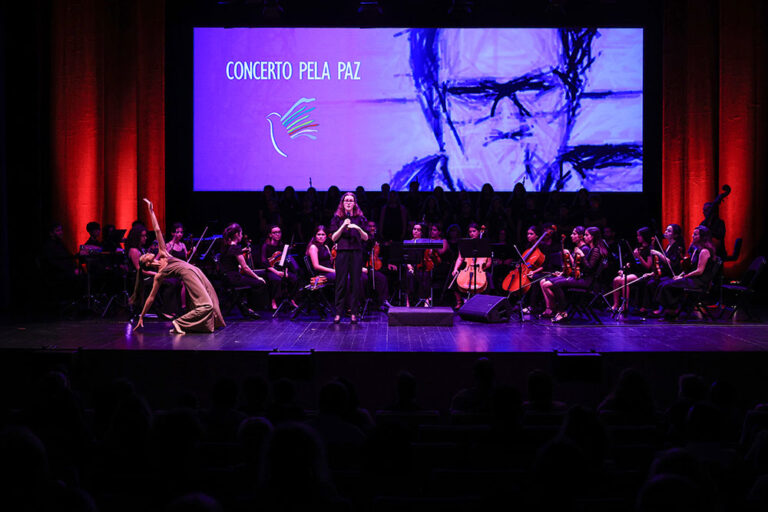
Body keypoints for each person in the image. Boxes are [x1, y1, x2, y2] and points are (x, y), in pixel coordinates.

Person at [390, 28, 642, 192]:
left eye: (535, 88)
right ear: (434, 103)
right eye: (475, 93)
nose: (508, 122)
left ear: (572, 95)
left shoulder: (628, 180)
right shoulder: (403, 189)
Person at [132, 199, 225, 334]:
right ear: (147, 263)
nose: (146, 253)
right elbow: (151, 298)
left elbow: (157, 230)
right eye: (144, 256)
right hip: (188, 274)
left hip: (195, 270)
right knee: (206, 305)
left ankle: (211, 323)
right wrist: (141, 316)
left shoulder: (163, 253)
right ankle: (179, 322)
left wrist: (151, 211)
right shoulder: (159, 273)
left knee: (213, 300)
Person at [540, 226, 607, 322]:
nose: (584, 237)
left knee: (556, 284)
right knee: (556, 283)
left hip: (587, 281)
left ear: (592, 237)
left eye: (586, 235)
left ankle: (562, 311)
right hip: (582, 278)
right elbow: (583, 268)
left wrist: (582, 255)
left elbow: (589, 268)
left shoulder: (595, 250)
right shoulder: (593, 249)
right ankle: (559, 310)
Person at [653, 225, 719, 318]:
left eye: (695, 234)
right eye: (693, 234)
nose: (692, 236)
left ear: (702, 237)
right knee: (665, 283)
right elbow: (689, 268)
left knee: (667, 285)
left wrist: (684, 277)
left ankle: (671, 311)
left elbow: (699, 271)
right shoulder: (696, 250)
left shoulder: (704, 251)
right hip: (693, 278)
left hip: (699, 281)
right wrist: (679, 276)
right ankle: (667, 309)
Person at [329, 192, 368, 323]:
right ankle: (338, 313)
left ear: (354, 203)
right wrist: (343, 226)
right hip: (342, 253)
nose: (349, 203)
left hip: (356, 253)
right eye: (346, 200)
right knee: (341, 283)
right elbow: (333, 238)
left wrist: (358, 228)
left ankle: (354, 313)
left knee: (355, 283)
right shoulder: (337, 218)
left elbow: (366, 237)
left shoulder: (361, 219)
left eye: (351, 200)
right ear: (343, 203)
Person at [219, 223, 265, 318]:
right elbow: (245, 268)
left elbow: (229, 261)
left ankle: (243, 306)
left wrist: (241, 252)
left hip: (225, 278)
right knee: (259, 283)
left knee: (249, 280)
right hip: (234, 278)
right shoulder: (236, 248)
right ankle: (249, 307)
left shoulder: (226, 246)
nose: (242, 235)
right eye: (241, 233)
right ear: (237, 234)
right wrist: (258, 277)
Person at [608, 227, 654, 314]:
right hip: (635, 272)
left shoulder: (649, 249)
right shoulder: (638, 247)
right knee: (616, 280)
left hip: (643, 273)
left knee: (624, 280)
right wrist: (625, 267)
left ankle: (625, 306)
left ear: (644, 236)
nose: (637, 237)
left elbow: (648, 266)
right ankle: (615, 304)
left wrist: (639, 257)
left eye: (639, 236)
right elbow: (632, 262)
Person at [260, 224, 299, 311]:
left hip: (282, 269)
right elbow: (264, 263)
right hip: (271, 270)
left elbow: (286, 261)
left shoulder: (282, 246)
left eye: (279, 232)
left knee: (294, 278)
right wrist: (277, 272)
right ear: (270, 235)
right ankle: (273, 300)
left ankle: (291, 298)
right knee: (276, 280)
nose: (277, 234)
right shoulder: (265, 246)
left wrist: (285, 272)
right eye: (275, 232)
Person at [451, 223, 489, 309]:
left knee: (488, 278)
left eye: (474, 231)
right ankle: (459, 302)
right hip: (467, 268)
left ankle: (484, 303)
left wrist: (481, 269)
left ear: (479, 232)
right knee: (454, 277)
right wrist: (455, 269)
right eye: (470, 232)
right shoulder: (465, 244)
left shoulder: (484, 244)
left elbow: (489, 262)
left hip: (480, 269)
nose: (472, 233)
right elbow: (460, 258)